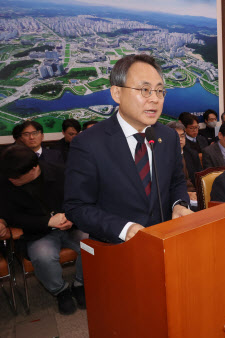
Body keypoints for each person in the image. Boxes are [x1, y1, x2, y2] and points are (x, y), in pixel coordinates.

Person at [64, 54, 191, 244]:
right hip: (116, 250)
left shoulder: (168, 136)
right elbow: (77, 207)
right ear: (117, 93)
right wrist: (123, 228)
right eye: (145, 90)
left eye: (159, 91)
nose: (155, 99)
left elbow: (176, 183)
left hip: (166, 243)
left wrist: (179, 205)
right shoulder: (88, 144)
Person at [0, 145, 87, 315]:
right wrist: (47, 221)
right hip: (36, 231)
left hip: (71, 226)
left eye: (16, 177)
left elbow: (81, 199)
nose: (11, 180)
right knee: (43, 257)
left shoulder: (62, 173)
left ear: (34, 168)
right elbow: (10, 215)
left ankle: (81, 283)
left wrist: (71, 217)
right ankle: (60, 291)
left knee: (92, 244)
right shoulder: (5, 181)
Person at [166, 121, 202, 202]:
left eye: (182, 136)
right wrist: (186, 194)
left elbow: (200, 178)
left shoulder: (192, 154)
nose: (180, 139)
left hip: (195, 194)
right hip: (175, 197)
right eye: (176, 136)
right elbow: (166, 186)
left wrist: (200, 193)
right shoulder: (163, 157)